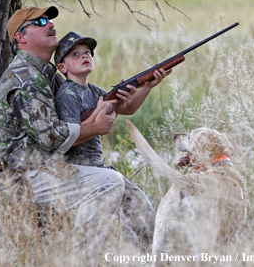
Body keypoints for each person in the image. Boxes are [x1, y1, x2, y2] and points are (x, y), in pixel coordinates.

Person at [0, 5, 135, 246]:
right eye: (39, 23)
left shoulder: (47, 75)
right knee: (109, 182)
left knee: (130, 193)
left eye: (49, 21)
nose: (50, 24)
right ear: (21, 38)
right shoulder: (25, 77)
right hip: (19, 176)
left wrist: (134, 90)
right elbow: (51, 137)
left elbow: (82, 114)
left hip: (43, 169)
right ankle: (78, 256)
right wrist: (98, 128)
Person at [53, 31, 170, 249]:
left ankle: (158, 257)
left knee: (145, 212)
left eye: (88, 53)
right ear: (62, 68)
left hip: (102, 169)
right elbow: (70, 137)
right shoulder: (66, 94)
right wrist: (99, 112)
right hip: (81, 173)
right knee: (124, 232)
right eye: (75, 54)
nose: (85, 56)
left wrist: (147, 85)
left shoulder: (96, 91)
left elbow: (129, 107)